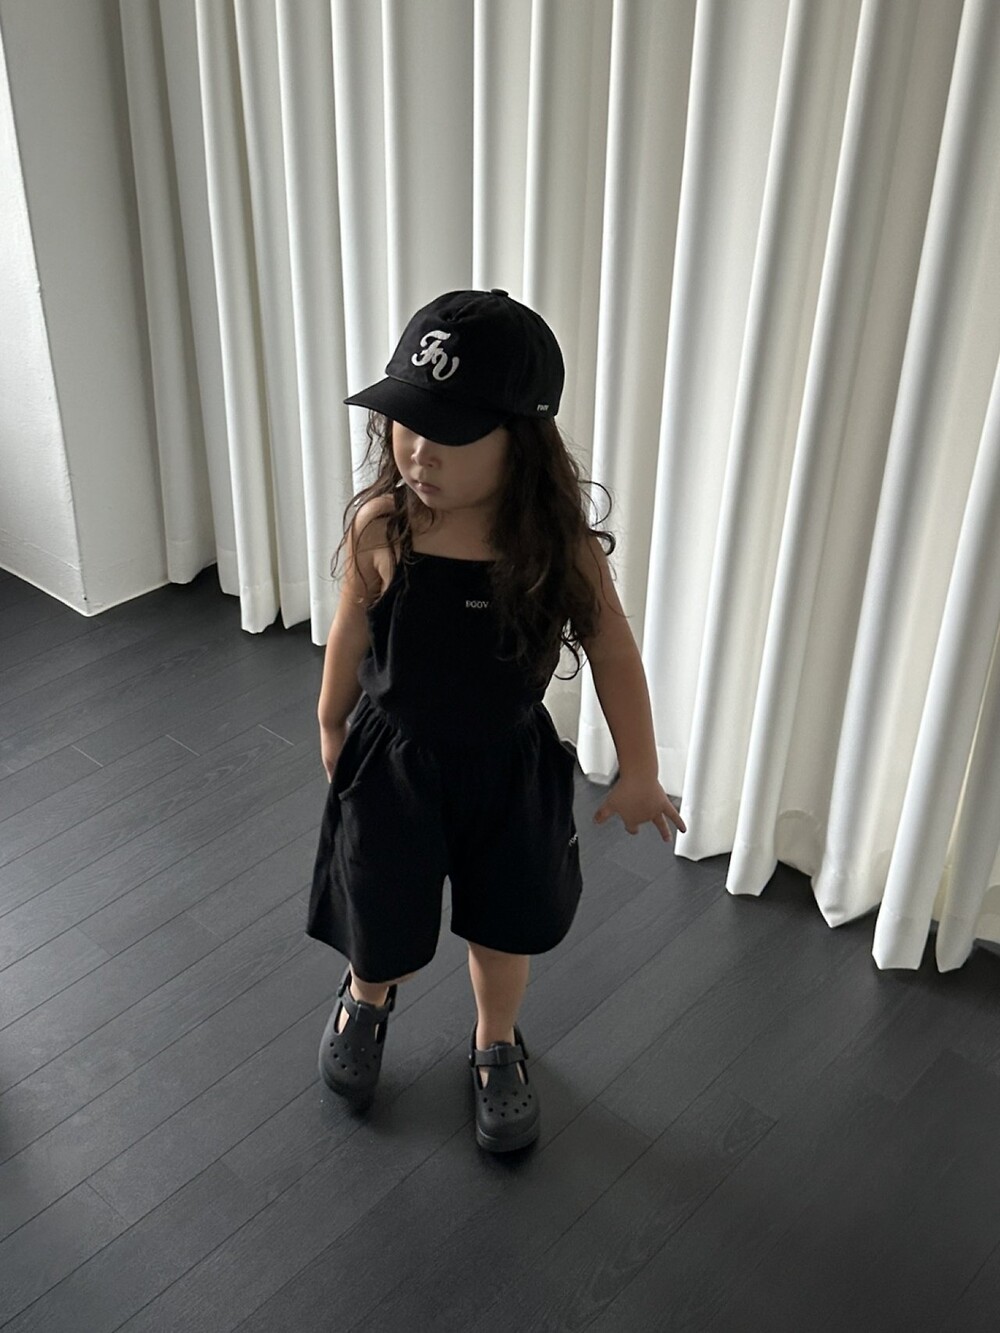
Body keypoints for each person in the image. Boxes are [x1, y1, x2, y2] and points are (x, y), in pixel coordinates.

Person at [308, 288, 685, 1153]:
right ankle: (366, 996)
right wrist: (330, 720)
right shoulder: (383, 526)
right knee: (380, 904)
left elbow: (614, 652)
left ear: (522, 439)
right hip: (392, 762)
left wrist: (640, 769)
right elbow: (350, 629)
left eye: (450, 431)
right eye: (407, 421)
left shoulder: (555, 548)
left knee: (504, 922)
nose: (418, 449)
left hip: (508, 770)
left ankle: (495, 1040)